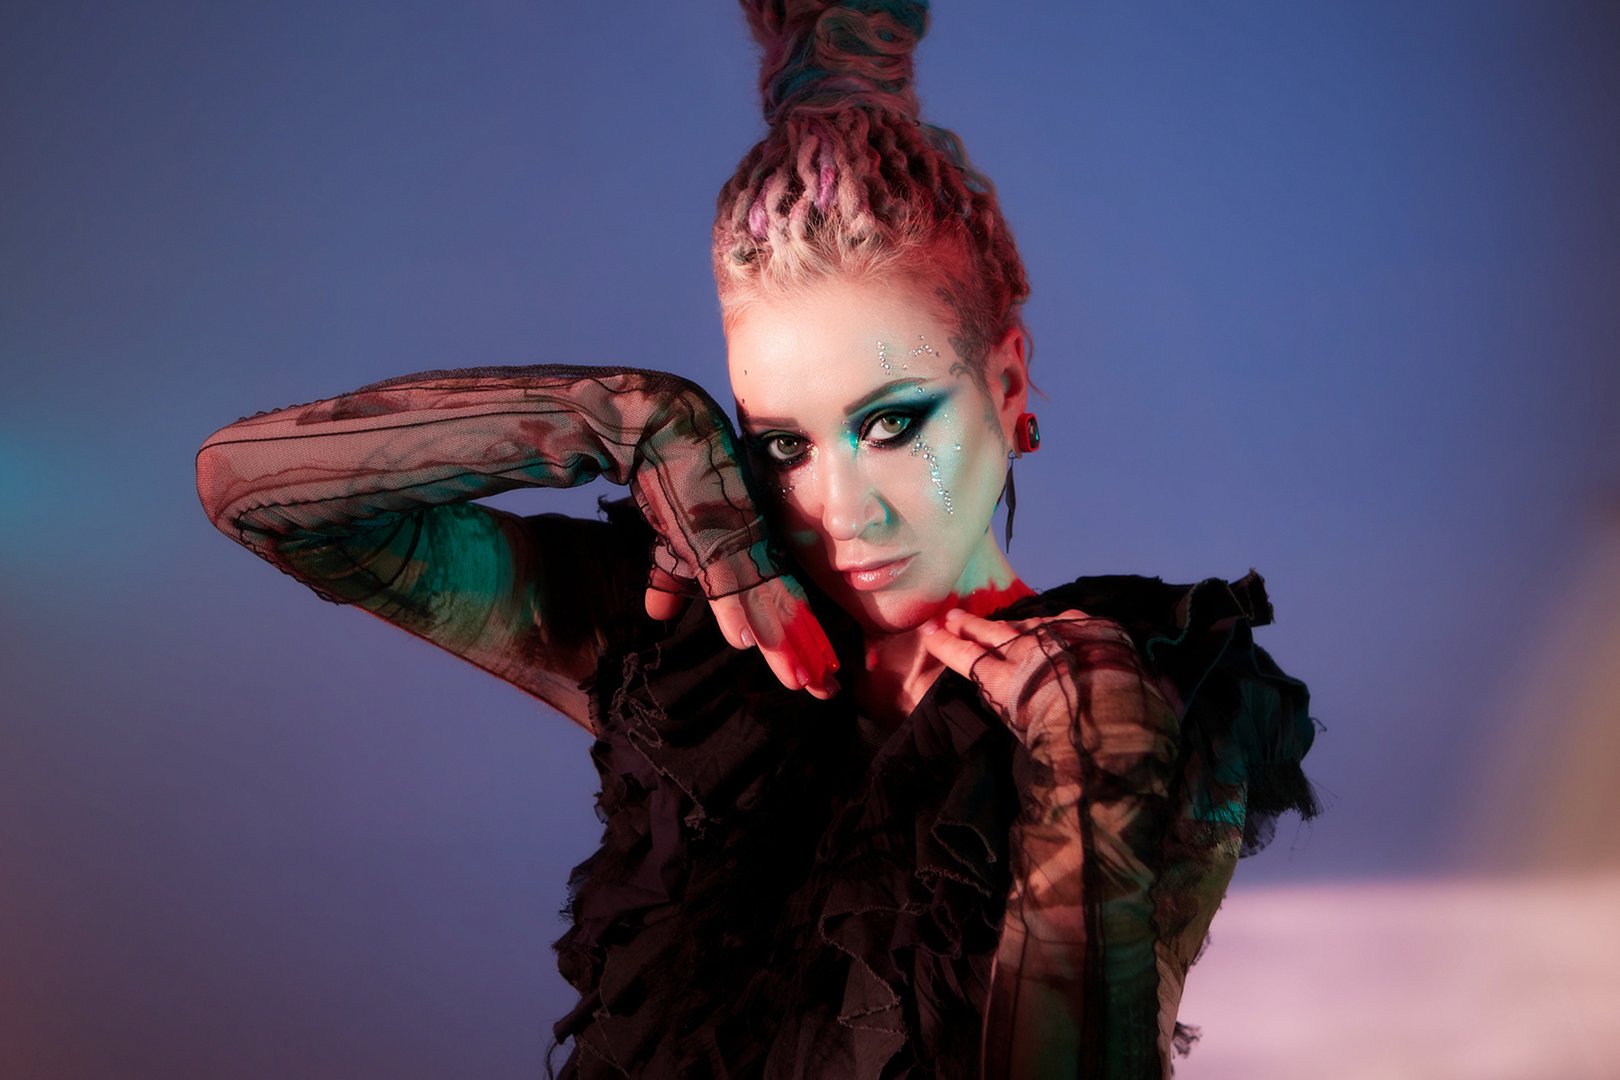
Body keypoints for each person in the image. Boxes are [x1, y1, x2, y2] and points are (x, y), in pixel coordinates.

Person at [195, 2, 1320, 1076]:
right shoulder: (696, 657)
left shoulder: (1146, 700)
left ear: (1009, 382)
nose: (841, 509)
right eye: (783, 444)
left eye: (892, 425)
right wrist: (623, 420)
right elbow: (254, 493)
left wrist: (1093, 766)